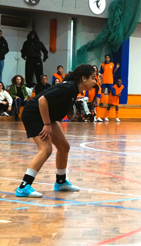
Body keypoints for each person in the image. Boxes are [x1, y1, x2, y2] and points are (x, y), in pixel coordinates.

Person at [15, 64, 96, 198]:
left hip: (47, 116)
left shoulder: (74, 90)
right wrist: (47, 124)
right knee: (46, 149)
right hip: (34, 114)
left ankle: (60, 182)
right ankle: (24, 186)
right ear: (83, 78)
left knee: (64, 147)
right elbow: (42, 101)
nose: (95, 81)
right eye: (93, 78)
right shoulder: (68, 87)